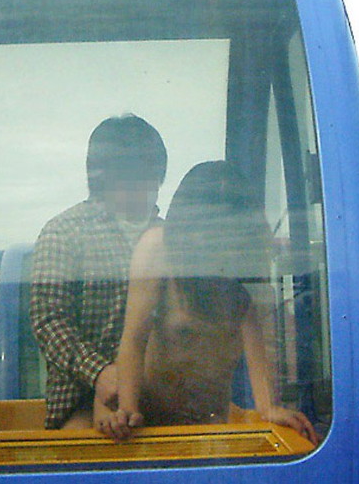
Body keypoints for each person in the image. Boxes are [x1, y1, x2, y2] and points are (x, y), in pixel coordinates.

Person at [95, 161, 319, 444]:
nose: (214, 243)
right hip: (147, 418)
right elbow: (133, 337)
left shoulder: (245, 264)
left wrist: (267, 406)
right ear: (186, 227)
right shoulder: (158, 248)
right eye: (207, 230)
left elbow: (256, 335)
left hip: (206, 421)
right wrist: (128, 408)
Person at [30, 114, 167, 430]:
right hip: (82, 393)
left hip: (159, 393)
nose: (142, 188)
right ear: (101, 177)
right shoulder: (63, 232)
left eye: (150, 176)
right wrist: (100, 373)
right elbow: (48, 320)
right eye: (129, 177)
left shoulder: (168, 236)